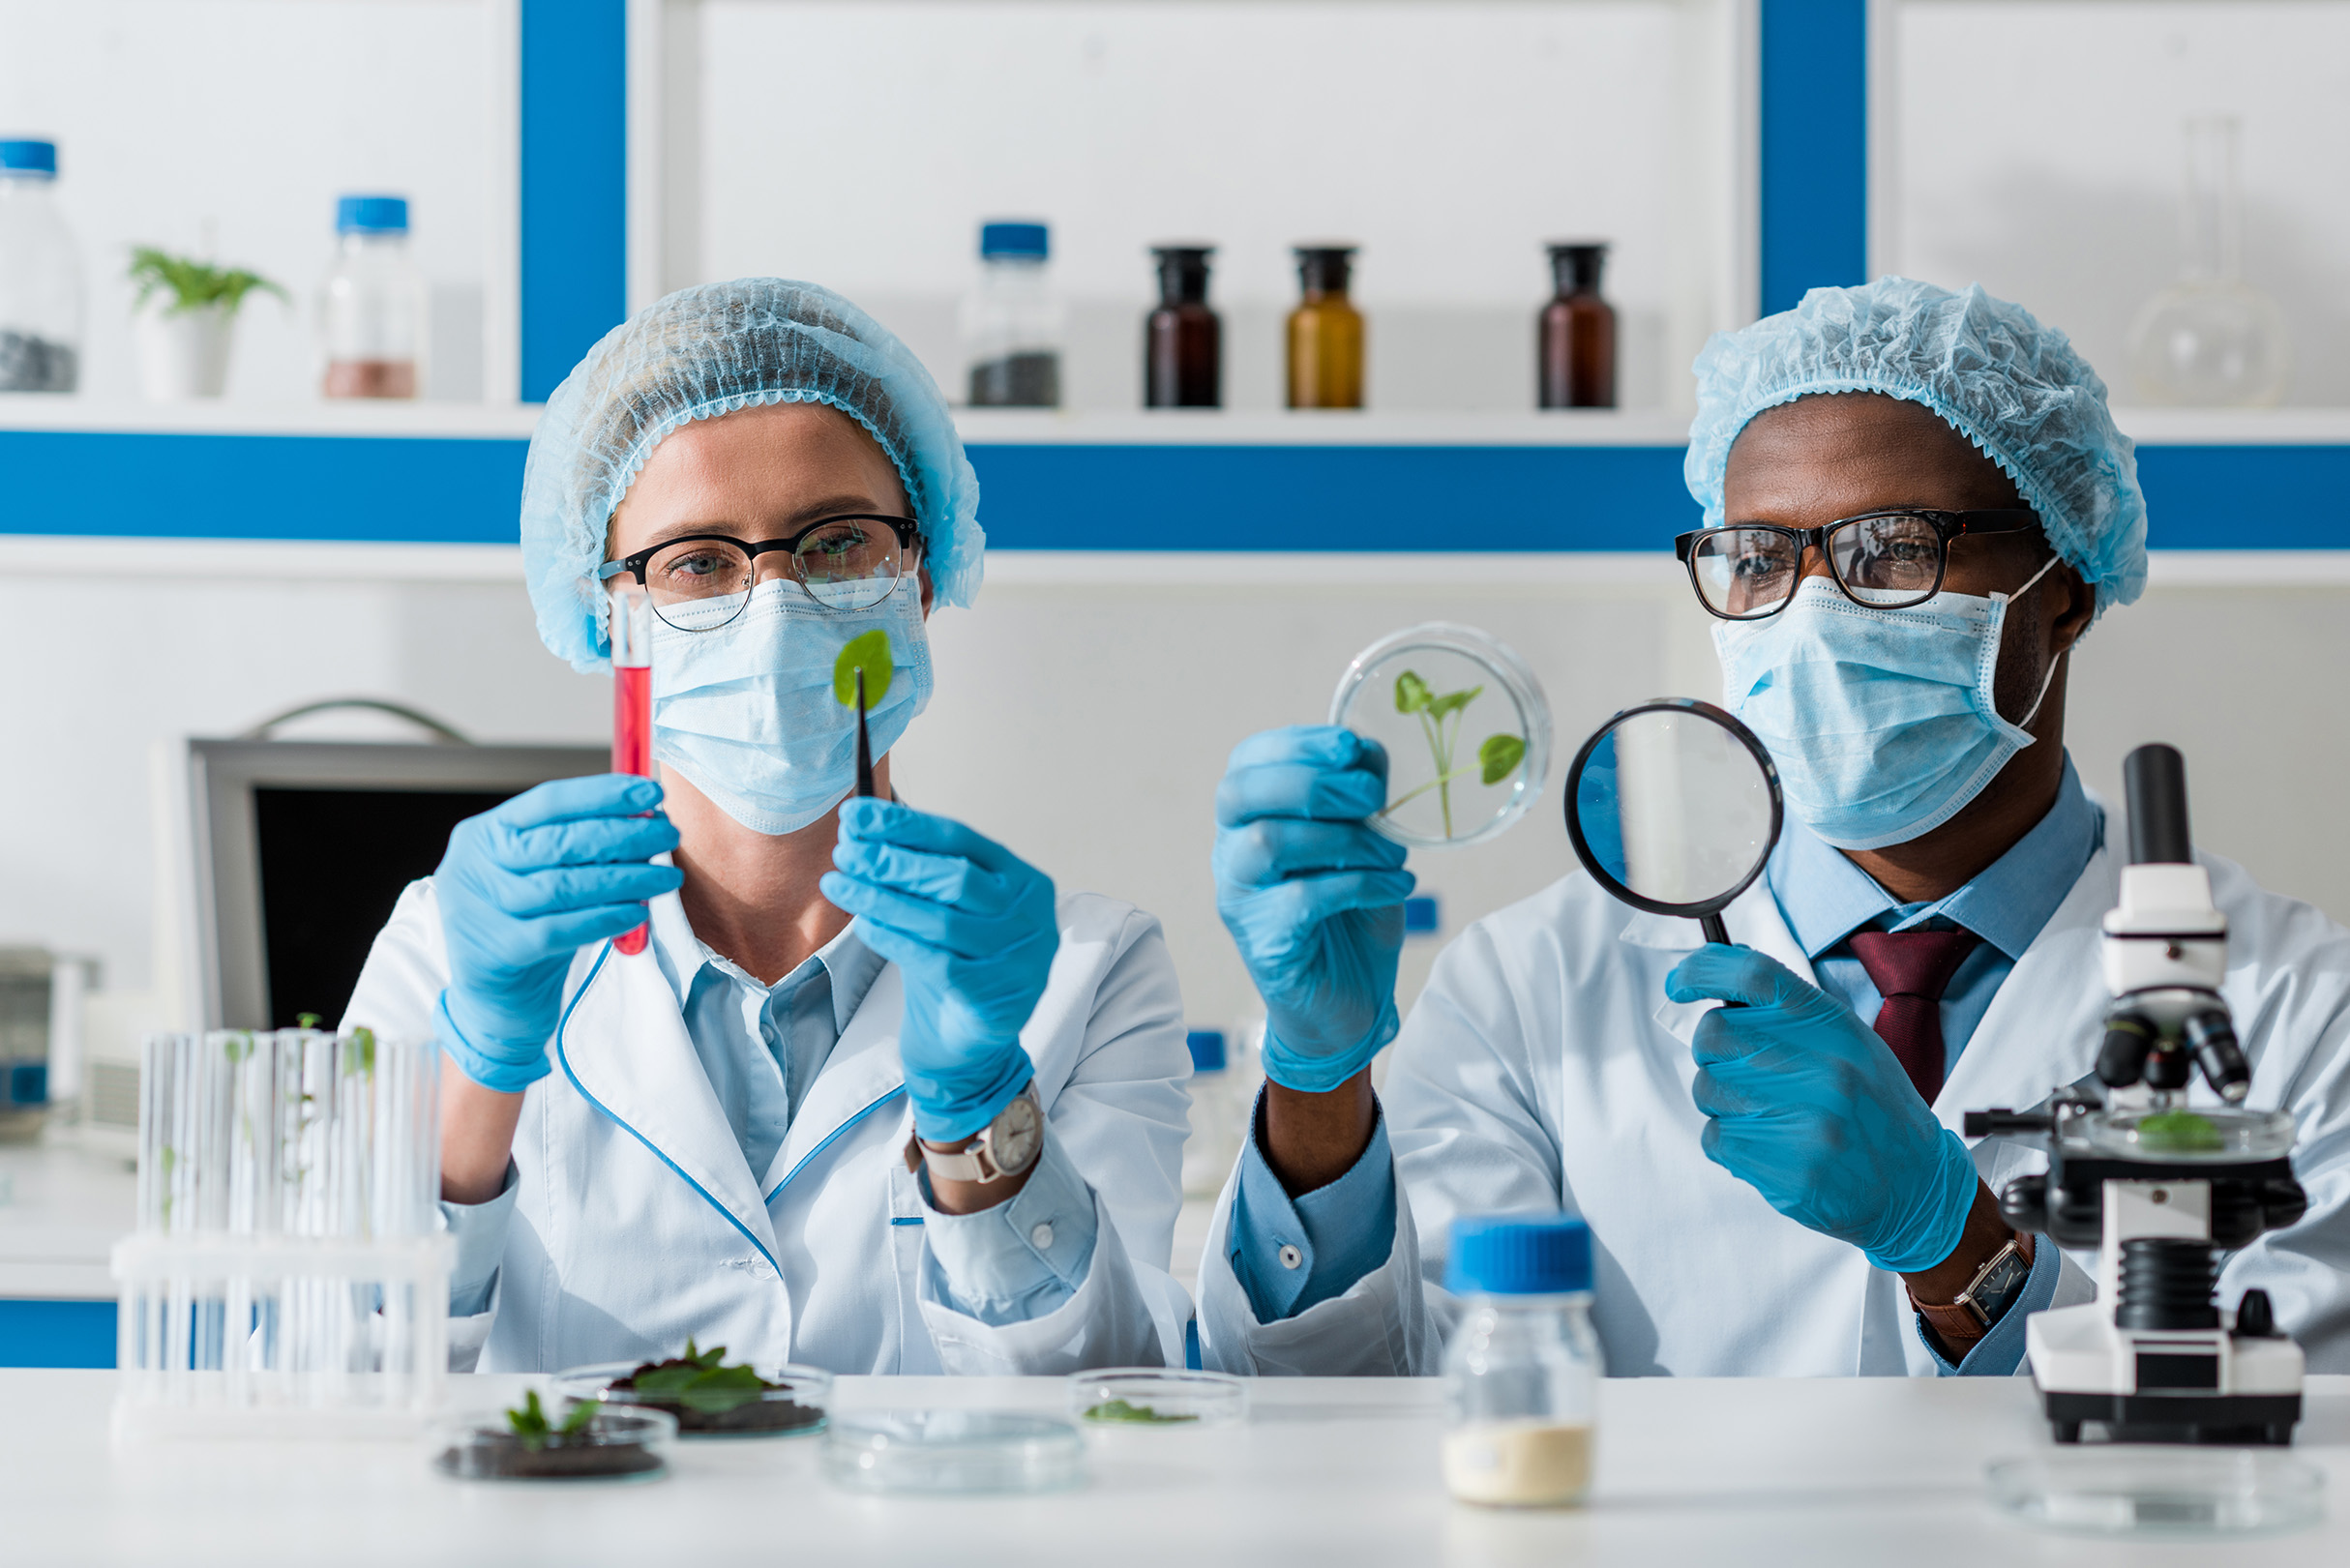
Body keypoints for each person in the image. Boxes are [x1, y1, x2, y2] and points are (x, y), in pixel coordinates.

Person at [1197, 277, 2350, 1377]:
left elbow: (2309, 1432)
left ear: (2063, 585)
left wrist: (1960, 1250)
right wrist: (1318, 1084)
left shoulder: (2297, 1006)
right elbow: (1356, 1405)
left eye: (1890, 547)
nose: (1806, 611)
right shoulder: (1532, 988)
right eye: (1754, 560)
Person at [345, 280, 1190, 1375]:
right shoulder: (448, 951)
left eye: (836, 541)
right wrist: (475, 1080)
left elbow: (1116, 1411)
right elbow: (325, 1397)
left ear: (919, 577)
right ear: (612, 617)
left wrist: (985, 1117)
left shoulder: (1086, 969)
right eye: (697, 560)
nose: (778, 601)